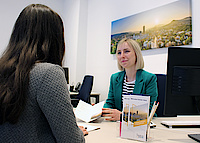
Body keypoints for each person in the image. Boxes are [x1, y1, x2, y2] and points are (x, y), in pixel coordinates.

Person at [0, 4, 87, 142]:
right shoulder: (48, 73)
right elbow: (71, 140)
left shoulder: (4, 70)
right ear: (55, 39)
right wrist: (76, 132)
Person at [102, 38, 158, 121]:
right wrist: (102, 111)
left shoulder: (149, 78)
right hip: (117, 126)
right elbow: (110, 103)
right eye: (119, 53)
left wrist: (123, 116)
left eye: (126, 51)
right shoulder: (115, 78)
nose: (122, 56)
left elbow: (150, 110)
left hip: (140, 126)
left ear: (136, 54)